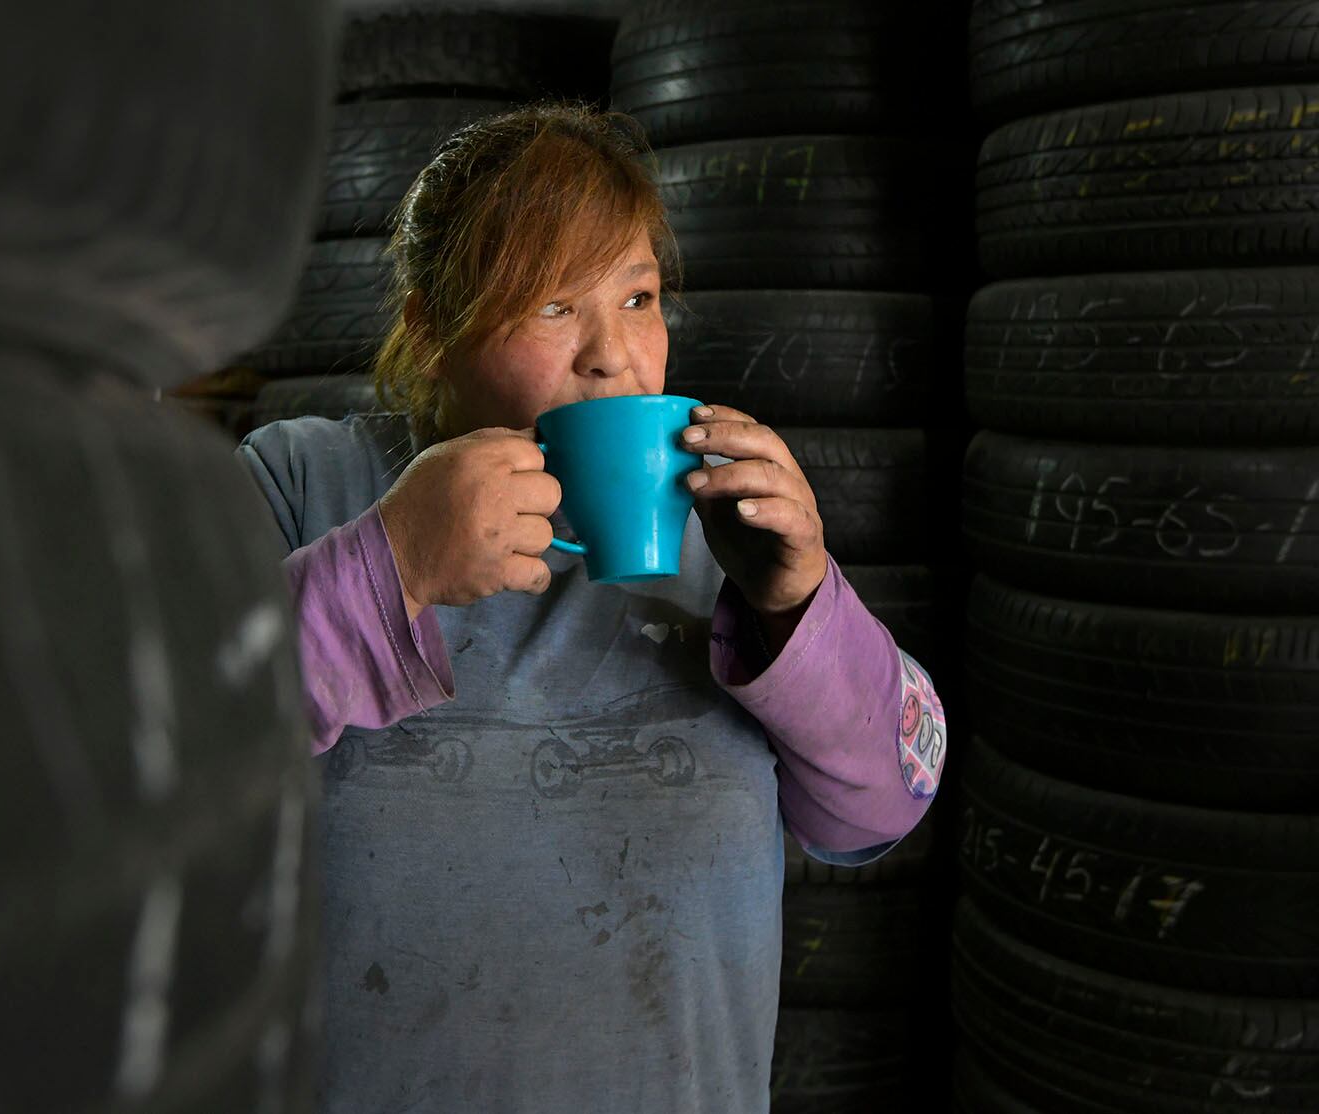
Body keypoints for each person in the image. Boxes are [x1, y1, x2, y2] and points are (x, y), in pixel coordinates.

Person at [237, 102, 945, 1113]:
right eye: (551, 306)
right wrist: (393, 563)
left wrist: (797, 600)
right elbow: (130, 751)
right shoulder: (304, 482)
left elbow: (884, 803)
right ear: (432, 331)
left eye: (639, 295)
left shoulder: (724, 528)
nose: (612, 354)